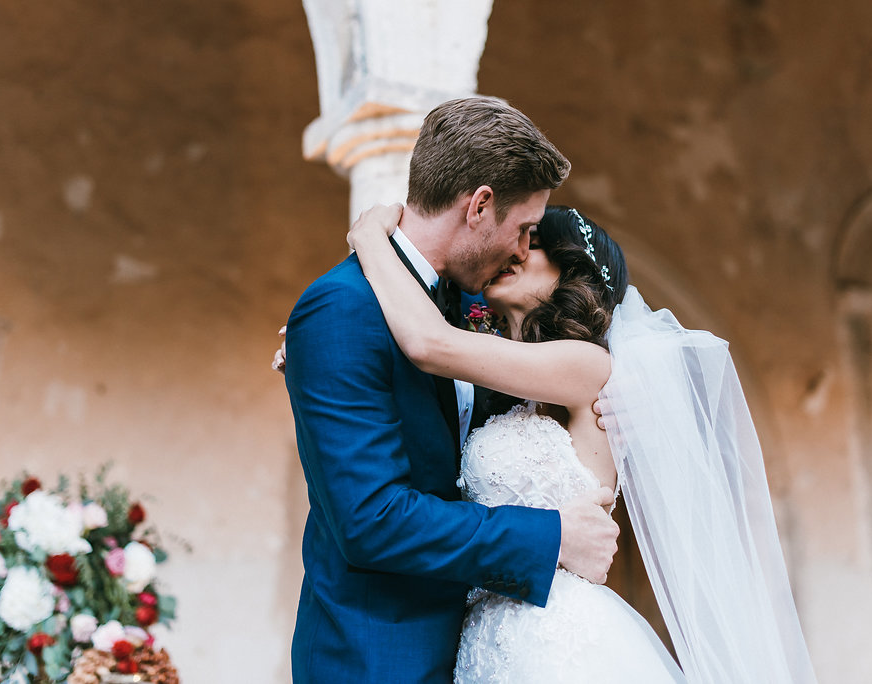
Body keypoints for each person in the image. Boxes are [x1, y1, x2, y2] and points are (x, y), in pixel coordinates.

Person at [345, 202, 819, 683]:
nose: (516, 251)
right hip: (485, 640)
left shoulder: (585, 366)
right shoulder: (510, 392)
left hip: (554, 639)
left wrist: (368, 239)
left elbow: (430, 344)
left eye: (535, 243)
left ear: (572, 270)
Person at [281, 97, 621, 683]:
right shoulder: (342, 309)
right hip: (376, 656)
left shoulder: (473, 306)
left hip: (486, 648)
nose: (521, 249)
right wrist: (551, 536)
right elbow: (371, 519)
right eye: (524, 230)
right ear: (480, 205)